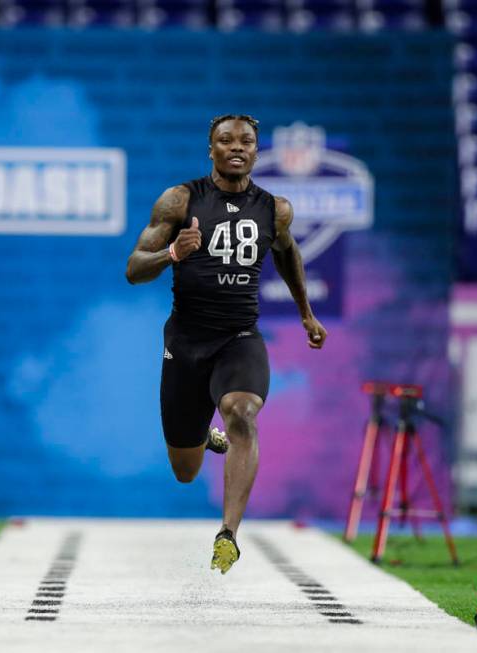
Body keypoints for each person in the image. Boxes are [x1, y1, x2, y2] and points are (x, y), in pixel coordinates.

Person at [125, 114, 327, 574]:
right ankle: (204, 437)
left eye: (247, 141)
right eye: (225, 140)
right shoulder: (179, 200)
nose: (237, 147)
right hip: (186, 342)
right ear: (210, 149)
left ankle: (228, 535)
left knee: (243, 412)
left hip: (239, 339)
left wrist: (306, 313)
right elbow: (134, 269)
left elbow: (288, 252)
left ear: (257, 152)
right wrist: (173, 253)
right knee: (185, 469)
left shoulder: (275, 209)